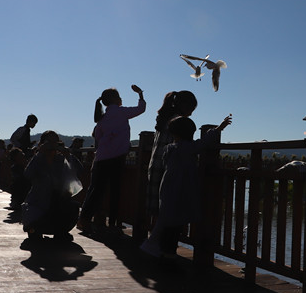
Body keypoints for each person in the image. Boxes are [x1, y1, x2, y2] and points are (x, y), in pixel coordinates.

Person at [140, 113, 232, 258]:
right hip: (180, 190)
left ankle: (159, 248)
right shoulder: (186, 148)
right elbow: (204, 142)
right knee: (174, 224)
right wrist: (219, 128)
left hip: (167, 187)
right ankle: (167, 253)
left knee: (167, 220)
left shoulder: (169, 149)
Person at [78, 85, 146, 236]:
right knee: (115, 192)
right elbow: (141, 109)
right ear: (115, 99)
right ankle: (113, 224)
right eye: (119, 96)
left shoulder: (102, 118)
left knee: (95, 191)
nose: (121, 98)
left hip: (101, 159)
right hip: (117, 158)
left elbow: (97, 137)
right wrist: (140, 94)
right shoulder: (122, 112)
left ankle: (84, 219)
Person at [21, 131, 85, 243]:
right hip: (39, 201)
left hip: (58, 200)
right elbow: (27, 174)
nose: (52, 145)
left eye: (55, 142)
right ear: (42, 144)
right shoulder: (38, 159)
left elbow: (80, 171)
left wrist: (69, 156)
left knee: (72, 206)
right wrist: (39, 153)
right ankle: (35, 230)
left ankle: (60, 231)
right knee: (34, 219)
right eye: (49, 142)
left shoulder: (61, 159)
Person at [146, 91, 198, 220]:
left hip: (155, 165)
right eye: (191, 109)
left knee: (156, 207)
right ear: (185, 106)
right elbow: (185, 146)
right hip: (167, 168)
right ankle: (161, 232)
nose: (191, 114)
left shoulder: (164, 118)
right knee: (167, 207)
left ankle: (153, 232)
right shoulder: (179, 122)